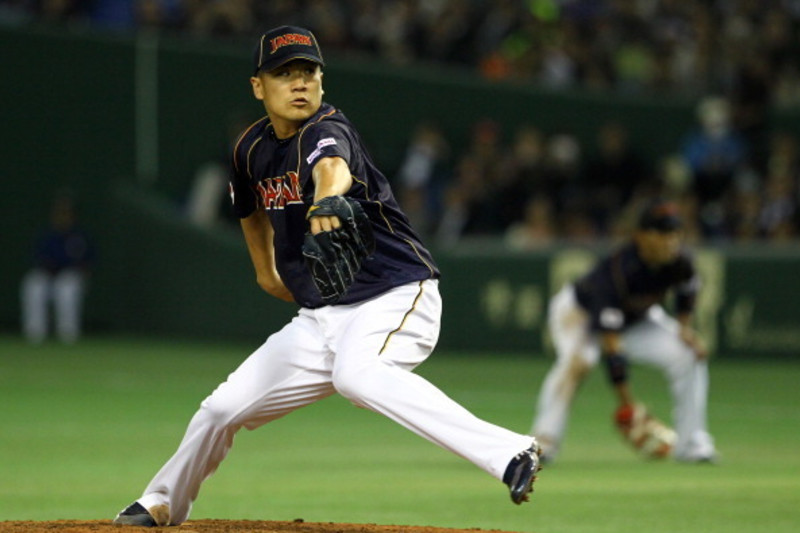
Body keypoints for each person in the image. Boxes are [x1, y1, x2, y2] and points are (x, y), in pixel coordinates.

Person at [112, 25, 541, 528]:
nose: (298, 83)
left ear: (322, 81)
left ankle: (512, 452)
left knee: (356, 376)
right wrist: (263, 269)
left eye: (308, 72)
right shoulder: (248, 149)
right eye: (283, 73)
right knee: (221, 407)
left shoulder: (327, 130)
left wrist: (329, 199)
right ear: (258, 86)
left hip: (396, 293)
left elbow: (331, 168)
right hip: (322, 316)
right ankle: (162, 501)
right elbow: (249, 208)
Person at [531, 198, 716, 464]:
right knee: (579, 362)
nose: (670, 240)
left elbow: (688, 291)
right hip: (578, 314)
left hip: (636, 320)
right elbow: (612, 346)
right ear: (641, 236)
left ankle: (693, 445)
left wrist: (685, 329)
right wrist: (628, 404)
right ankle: (543, 443)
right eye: (662, 233)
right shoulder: (617, 273)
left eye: (675, 233)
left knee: (689, 354)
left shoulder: (681, 261)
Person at [20, 194, 94, 344]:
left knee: (66, 288)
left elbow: (87, 263)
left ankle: (67, 334)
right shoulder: (47, 235)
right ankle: (35, 333)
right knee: (33, 284)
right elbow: (39, 259)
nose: (63, 216)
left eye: (67, 212)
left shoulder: (79, 236)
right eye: (60, 212)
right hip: (48, 275)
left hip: (70, 276)